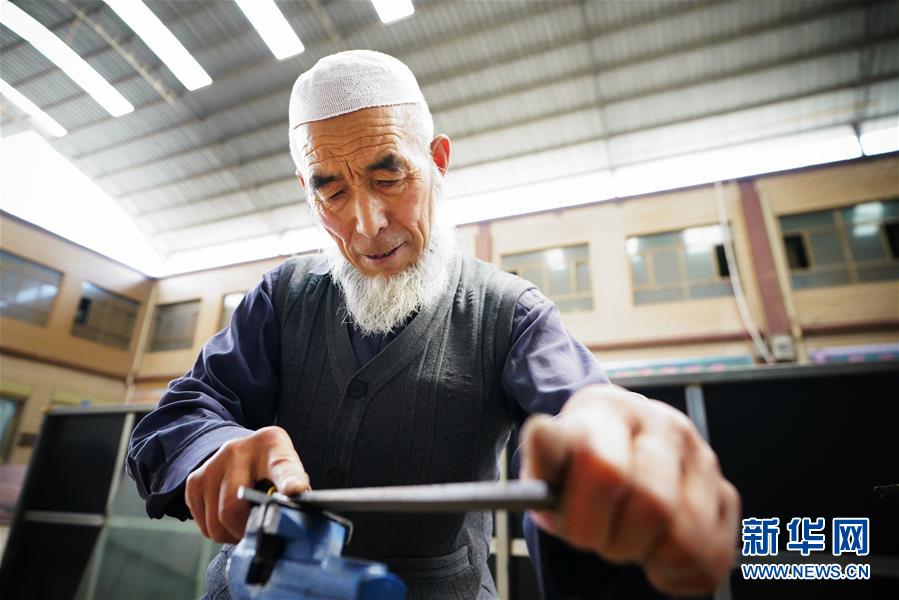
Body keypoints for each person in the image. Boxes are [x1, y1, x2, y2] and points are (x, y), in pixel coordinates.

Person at [128, 50, 739, 600]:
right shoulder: (281, 295)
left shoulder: (510, 313)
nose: (367, 224)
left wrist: (618, 457)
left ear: (438, 161)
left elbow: (579, 422)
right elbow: (181, 414)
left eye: (388, 177)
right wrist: (217, 448)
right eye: (332, 192)